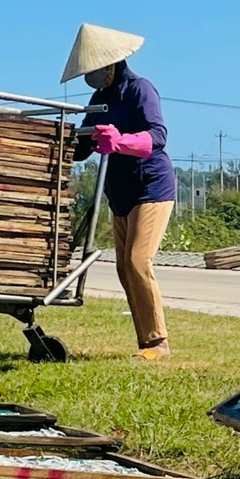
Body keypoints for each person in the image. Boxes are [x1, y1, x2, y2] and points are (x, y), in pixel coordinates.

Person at [61, 23, 175, 361]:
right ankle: (145, 344)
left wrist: (121, 141)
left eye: (95, 70)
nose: (91, 77)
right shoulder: (101, 98)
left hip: (151, 187)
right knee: (123, 267)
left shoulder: (140, 90)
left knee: (139, 261)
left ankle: (158, 343)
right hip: (120, 193)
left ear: (111, 63)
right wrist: (64, 140)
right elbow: (82, 147)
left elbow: (158, 136)